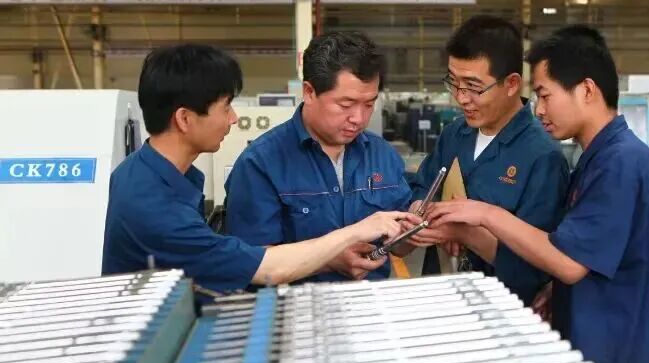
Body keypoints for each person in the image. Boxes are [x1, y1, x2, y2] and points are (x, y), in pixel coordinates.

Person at [426, 25, 649, 363]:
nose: (539, 109)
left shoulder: (620, 162)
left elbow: (570, 263)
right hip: (592, 354)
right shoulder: (596, 159)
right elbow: (596, 254)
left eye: (544, 95)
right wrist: (555, 289)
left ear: (586, 90)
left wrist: (485, 215)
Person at [102, 43, 416, 294]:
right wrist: (356, 232)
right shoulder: (152, 203)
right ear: (185, 119)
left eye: (368, 104)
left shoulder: (159, 177)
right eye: (226, 107)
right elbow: (263, 267)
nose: (234, 119)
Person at [224, 31, 414, 283]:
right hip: (293, 304)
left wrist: (414, 232)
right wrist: (328, 261)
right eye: (345, 105)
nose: (359, 118)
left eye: (369, 104)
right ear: (309, 92)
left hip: (369, 301)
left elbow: (400, 247)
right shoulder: (261, 164)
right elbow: (250, 263)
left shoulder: (383, 156)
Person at [406, 15, 568, 306]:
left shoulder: (543, 157)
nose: (461, 98)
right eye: (454, 82)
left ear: (511, 84)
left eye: (473, 86)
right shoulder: (454, 135)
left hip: (501, 310)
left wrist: (465, 233)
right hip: (440, 297)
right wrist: (421, 211)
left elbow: (535, 266)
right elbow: (422, 187)